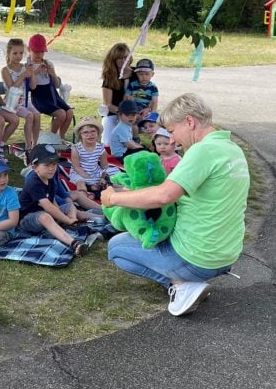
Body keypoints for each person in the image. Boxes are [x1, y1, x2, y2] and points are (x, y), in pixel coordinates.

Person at [102, 93, 250, 316]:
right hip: (227, 253)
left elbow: (164, 196)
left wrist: (113, 199)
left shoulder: (203, 151)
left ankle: (181, 285)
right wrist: (137, 193)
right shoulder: (232, 150)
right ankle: (188, 282)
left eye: (172, 131)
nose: (172, 140)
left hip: (197, 257)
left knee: (116, 249)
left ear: (189, 122)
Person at [18, 144, 90, 256]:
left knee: (70, 206)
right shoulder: (33, 182)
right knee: (45, 216)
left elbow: (52, 201)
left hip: (45, 213)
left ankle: (96, 218)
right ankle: (74, 243)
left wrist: (63, 216)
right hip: (27, 219)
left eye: (54, 164)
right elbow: (47, 206)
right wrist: (66, 219)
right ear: (34, 167)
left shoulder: (49, 177)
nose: (52, 168)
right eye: (47, 165)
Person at [26, 34, 74, 139]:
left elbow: (57, 84)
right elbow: (32, 87)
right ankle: (51, 138)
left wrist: (52, 74)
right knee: (61, 114)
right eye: (36, 52)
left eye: (42, 52)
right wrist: (36, 72)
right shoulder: (28, 66)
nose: (39, 55)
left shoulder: (48, 63)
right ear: (29, 50)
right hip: (39, 97)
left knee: (69, 112)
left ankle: (61, 137)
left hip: (53, 95)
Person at [1, 38, 40, 150]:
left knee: (37, 115)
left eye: (21, 53)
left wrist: (31, 74)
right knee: (29, 116)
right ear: (8, 53)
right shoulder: (5, 70)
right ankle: (28, 147)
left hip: (25, 101)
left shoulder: (24, 67)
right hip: (13, 103)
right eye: (15, 53)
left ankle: (35, 144)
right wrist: (23, 75)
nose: (18, 56)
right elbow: (12, 88)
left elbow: (33, 86)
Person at [69, 116, 118, 198]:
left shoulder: (100, 147)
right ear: (80, 135)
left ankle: (96, 189)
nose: (90, 135)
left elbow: (104, 165)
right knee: (81, 183)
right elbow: (76, 167)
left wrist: (103, 176)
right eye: (85, 132)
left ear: (98, 133)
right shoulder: (76, 148)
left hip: (94, 171)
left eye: (93, 131)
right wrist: (89, 179)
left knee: (113, 177)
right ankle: (84, 197)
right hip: (80, 173)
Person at [100, 43, 133, 146]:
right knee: (109, 143)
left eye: (125, 57)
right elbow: (108, 105)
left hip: (135, 113)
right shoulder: (109, 77)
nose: (123, 61)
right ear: (113, 60)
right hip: (114, 113)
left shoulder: (137, 74)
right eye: (119, 58)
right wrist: (123, 114)